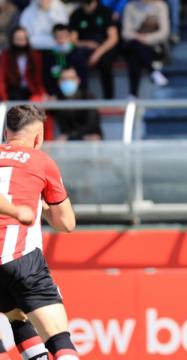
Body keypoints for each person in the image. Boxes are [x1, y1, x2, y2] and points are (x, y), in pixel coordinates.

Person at [0, 105, 79, 360]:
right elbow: (66, 224)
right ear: (38, 136)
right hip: (21, 257)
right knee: (58, 337)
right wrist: (41, 207)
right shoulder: (41, 161)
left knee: (16, 315)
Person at [69, 0, 119, 99]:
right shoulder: (76, 14)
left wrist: (97, 54)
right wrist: (86, 44)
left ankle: (109, 98)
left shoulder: (105, 12)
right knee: (77, 58)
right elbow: (73, 40)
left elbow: (113, 38)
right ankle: (82, 95)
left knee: (105, 62)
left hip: (104, 47)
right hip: (85, 46)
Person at [121, 0, 170, 96]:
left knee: (134, 56)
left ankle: (133, 94)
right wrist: (139, 38)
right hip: (133, 44)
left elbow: (164, 33)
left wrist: (146, 39)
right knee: (136, 46)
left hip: (154, 46)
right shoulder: (130, 7)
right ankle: (152, 72)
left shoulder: (161, 6)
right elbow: (125, 33)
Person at [53, 67, 103, 141]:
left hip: (89, 137)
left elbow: (92, 124)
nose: (68, 81)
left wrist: (72, 136)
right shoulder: (57, 101)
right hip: (69, 140)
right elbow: (63, 127)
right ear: (59, 82)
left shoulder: (88, 97)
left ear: (78, 80)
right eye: (64, 79)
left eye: (71, 78)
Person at [0, 27, 47, 101]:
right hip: (13, 91)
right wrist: (4, 99)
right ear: (12, 40)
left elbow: (39, 77)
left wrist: (41, 93)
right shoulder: (5, 56)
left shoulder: (35, 56)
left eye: (23, 38)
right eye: (18, 39)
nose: (20, 41)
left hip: (31, 90)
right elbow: (1, 80)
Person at [43, 24, 88, 97]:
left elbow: (83, 76)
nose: (61, 39)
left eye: (64, 36)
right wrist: (51, 93)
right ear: (54, 38)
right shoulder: (49, 55)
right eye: (58, 36)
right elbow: (47, 76)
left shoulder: (78, 53)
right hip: (56, 94)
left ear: (69, 36)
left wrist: (81, 92)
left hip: (76, 93)